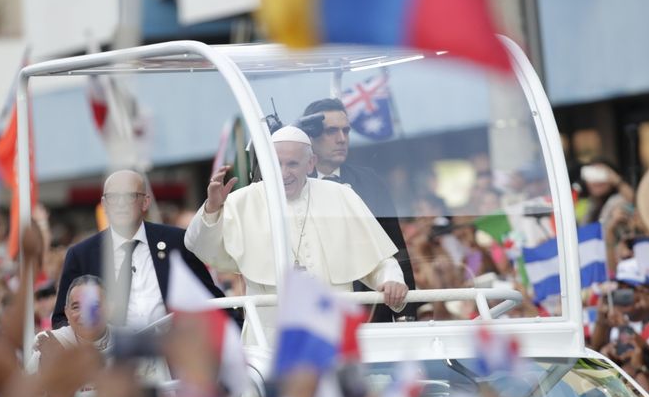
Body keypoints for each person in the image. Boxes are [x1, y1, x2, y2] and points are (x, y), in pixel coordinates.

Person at [185, 125, 408, 346]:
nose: (283, 173)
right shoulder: (242, 200)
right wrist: (212, 209)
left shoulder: (340, 196)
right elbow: (201, 247)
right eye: (276, 164)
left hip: (332, 330)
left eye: (292, 164)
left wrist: (391, 280)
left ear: (310, 164)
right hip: (270, 339)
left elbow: (375, 258)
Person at [52, 169, 224, 329]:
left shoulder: (176, 242)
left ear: (145, 202)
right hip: (113, 356)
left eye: (129, 196)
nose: (120, 204)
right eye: (113, 197)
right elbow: (62, 319)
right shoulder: (82, 255)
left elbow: (211, 299)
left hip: (172, 350)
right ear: (104, 204)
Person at [302, 98, 417, 322]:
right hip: (315, 313)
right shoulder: (292, 187)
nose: (341, 139)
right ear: (310, 135)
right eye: (331, 131)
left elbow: (395, 246)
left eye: (346, 130)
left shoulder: (370, 182)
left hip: (372, 310)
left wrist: (407, 312)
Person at [30, 276, 113, 373]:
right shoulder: (50, 341)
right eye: (76, 307)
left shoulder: (125, 343)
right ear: (67, 313)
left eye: (94, 306)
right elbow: (26, 385)